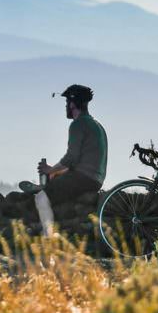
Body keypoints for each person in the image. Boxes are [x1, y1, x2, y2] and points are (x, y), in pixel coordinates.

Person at [20, 85, 107, 236]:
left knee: (41, 198)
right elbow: (82, 160)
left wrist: (49, 170)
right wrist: (57, 172)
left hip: (83, 178)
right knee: (55, 182)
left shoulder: (78, 124)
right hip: (96, 179)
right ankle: (47, 187)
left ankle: (48, 240)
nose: (66, 106)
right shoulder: (97, 125)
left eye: (67, 103)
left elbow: (71, 158)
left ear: (72, 104)